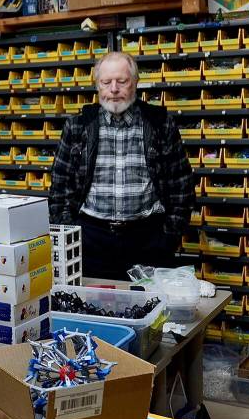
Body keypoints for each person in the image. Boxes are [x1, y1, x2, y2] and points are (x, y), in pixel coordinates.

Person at [49, 51, 195, 280]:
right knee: (93, 308)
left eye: (122, 81)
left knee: (152, 310)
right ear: (98, 86)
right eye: (106, 82)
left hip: (148, 240)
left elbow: (182, 185)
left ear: (135, 83)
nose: (114, 89)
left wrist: (168, 237)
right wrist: (70, 232)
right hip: (91, 241)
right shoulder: (78, 126)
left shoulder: (159, 124)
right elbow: (59, 187)